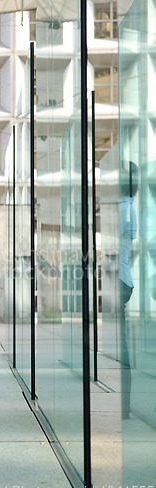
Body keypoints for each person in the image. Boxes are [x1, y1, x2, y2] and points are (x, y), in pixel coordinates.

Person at [119, 160, 138, 420]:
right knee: (119, 344)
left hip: (119, 281)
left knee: (120, 347)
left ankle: (124, 406)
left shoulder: (122, 209)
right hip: (124, 279)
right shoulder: (128, 207)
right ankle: (124, 406)